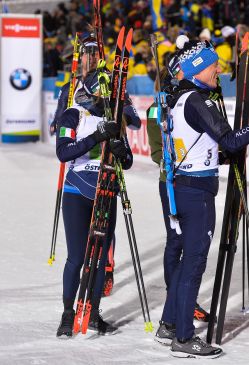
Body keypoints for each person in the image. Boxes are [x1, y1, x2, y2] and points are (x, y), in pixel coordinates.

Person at [153, 36, 249, 359]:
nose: (218, 69)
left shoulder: (180, 98)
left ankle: (169, 325)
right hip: (195, 192)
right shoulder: (195, 100)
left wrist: (217, 159)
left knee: (184, 261)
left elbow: (197, 147)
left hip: (185, 185)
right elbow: (230, 139)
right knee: (193, 263)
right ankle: (184, 338)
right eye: (212, 65)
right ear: (197, 69)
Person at [51, 36, 142, 297]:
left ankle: (106, 273)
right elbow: (57, 123)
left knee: (102, 239)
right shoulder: (69, 86)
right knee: (77, 252)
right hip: (79, 169)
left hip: (106, 173)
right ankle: (70, 311)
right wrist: (73, 123)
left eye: (93, 54)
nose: (87, 59)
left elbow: (134, 122)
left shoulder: (113, 86)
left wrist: (113, 113)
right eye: (84, 54)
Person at [55, 70, 133, 339]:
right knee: (76, 258)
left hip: (106, 192)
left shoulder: (115, 116)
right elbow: (63, 152)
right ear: (90, 90)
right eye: (102, 92)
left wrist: (122, 154)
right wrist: (96, 137)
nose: (106, 97)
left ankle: (93, 310)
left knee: (100, 260)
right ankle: (68, 313)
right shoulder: (73, 114)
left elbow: (128, 160)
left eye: (109, 93)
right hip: (76, 191)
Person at [146, 51, 213, 334]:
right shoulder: (157, 108)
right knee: (177, 244)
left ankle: (179, 303)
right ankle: (174, 300)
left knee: (186, 248)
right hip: (172, 182)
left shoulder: (185, 100)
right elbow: (157, 150)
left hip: (188, 180)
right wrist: (173, 160)